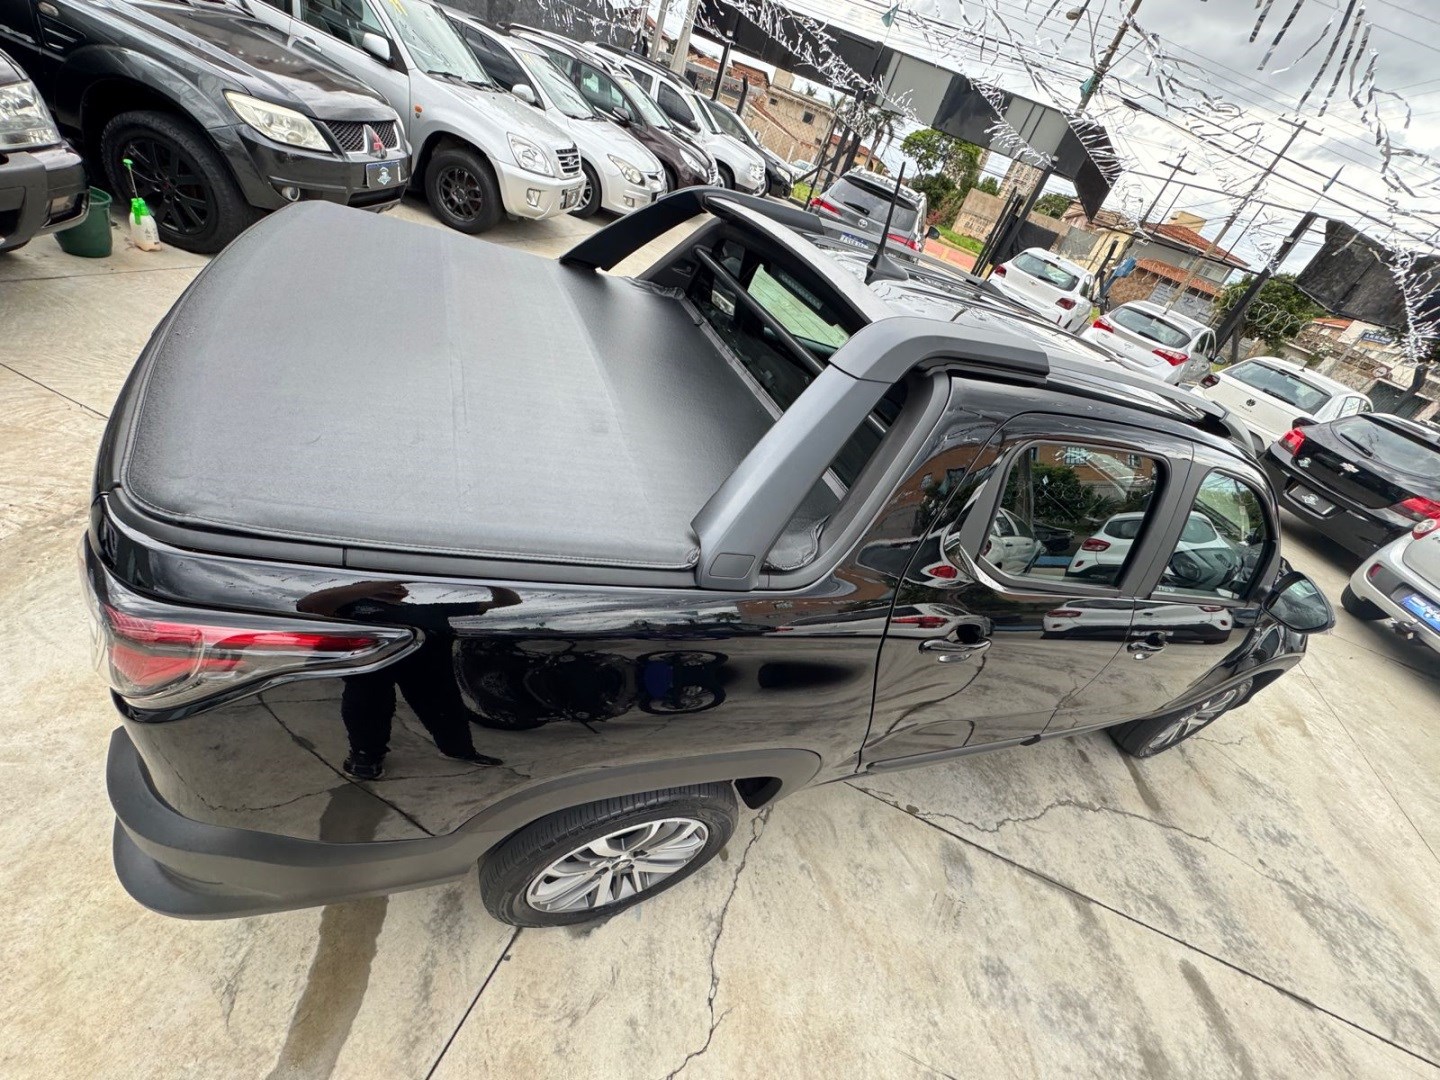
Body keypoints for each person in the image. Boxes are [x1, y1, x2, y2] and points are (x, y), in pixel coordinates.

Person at [297, 580, 521, 780]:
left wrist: (487, 579)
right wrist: (378, 585)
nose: (398, 585)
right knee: (368, 706)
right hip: (374, 667)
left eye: (401, 583)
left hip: (428, 667)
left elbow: (507, 602)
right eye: (390, 582)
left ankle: (459, 750)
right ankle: (365, 757)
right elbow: (308, 605)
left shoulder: (429, 607)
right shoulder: (352, 605)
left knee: (446, 708)